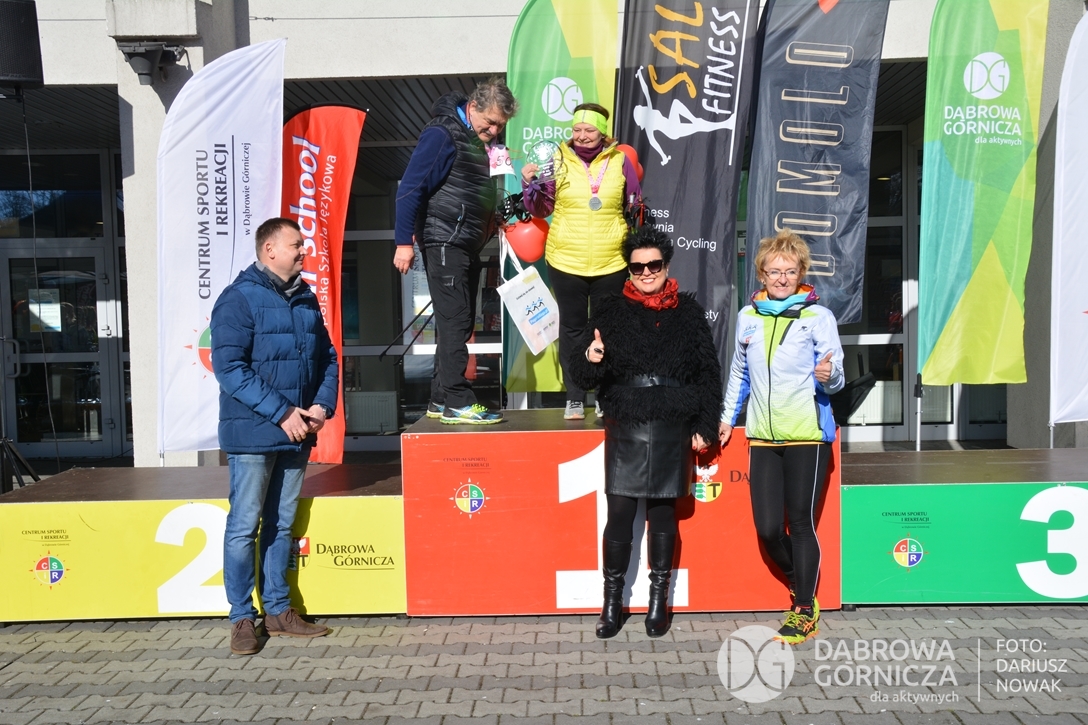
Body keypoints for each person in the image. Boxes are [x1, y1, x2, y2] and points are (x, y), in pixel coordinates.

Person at [568, 226, 722, 638]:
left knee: (663, 515)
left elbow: (708, 374)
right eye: (638, 267)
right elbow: (582, 374)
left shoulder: (688, 313)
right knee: (619, 513)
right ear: (629, 270)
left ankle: (659, 600)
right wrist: (592, 356)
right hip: (627, 423)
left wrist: (706, 424)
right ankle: (611, 602)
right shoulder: (609, 311)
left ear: (666, 265)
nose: (646, 272)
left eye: (654, 264)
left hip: (673, 423)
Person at [212, 217, 339, 655]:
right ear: (269, 250)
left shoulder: (305, 297)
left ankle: (279, 611)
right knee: (244, 526)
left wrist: (321, 406)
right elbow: (229, 370)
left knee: (281, 525)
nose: (304, 251)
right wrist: (283, 412)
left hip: (296, 433)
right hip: (253, 435)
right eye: (296, 245)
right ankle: (241, 619)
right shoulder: (237, 299)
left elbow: (327, 357)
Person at [719, 229, 844, 646]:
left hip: (807, 435)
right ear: (762, 274)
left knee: (801, 523)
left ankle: (804, 609)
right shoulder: (748, 316)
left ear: (801, 273)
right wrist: (726, 418)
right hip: (762, 438)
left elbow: (836, 377)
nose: (782, 278)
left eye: (790, 271)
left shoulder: (818, 317)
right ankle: (800, 581)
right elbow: (739, 373)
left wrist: (829, 376)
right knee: (769, 528)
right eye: (774, 271)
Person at [394, 77, 519, 424]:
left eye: (500, 126)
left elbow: (475, 190)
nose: (494, 131)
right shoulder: (442, 134)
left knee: (460, 322)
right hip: (444, 240)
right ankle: (458, 401)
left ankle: (439, 399)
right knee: (455, 321)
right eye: (490, 122)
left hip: (465, 242)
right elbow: (411, 188)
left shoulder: (478, 141)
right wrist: (403, 242)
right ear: (473, 106)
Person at [522, 103, 642, 421]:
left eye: (589, 130)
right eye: (577, 129)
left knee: (606, 330)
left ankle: (604, 395)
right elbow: (540, 208)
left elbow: (635, 204)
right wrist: (530, 184)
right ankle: (574, 397)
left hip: (610, 261)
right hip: (566, 260)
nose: (582, 136)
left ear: (603, 133)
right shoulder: (557, 160)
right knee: (573, 329)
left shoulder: (620, 161)